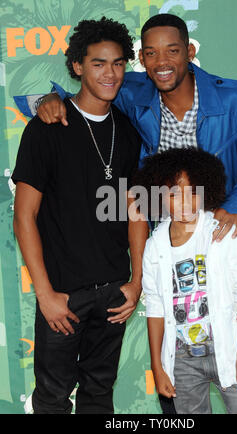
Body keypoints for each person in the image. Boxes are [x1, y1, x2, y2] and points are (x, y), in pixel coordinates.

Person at [14, 13, 237, 414]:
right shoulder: (134, 94)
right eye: (151, 54)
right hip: (170, 252)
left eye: (172, 51)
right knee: (175, 367)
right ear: (142, 59)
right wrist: (49, 100)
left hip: (224, 243)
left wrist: (233, 203)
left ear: (190, 52)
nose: (162, 62)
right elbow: (87, 88)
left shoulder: (234, 100)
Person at [12, 18, 144, 414]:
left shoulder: (128, 129)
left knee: (99, 396)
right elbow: (24, 217)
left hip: (114, 294)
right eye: (99, 63)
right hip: (64, 295)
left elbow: (135, 209)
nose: (110, 73)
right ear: (77, 67)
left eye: (118, 63)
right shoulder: (47, 127)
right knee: (52, 399)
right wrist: (46, 294)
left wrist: (136, 281)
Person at [135, 146, 237, 414]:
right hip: (181, 359)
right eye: (174, 193)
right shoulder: (154, 245)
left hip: (228, 348)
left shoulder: (224, 232)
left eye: (192, 192)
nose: (184, 201)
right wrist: (158, 368)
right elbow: (155, 308)